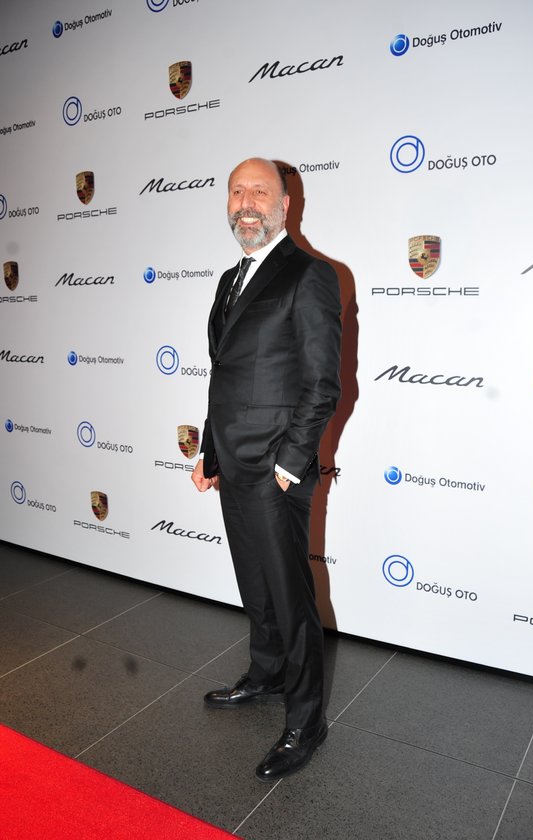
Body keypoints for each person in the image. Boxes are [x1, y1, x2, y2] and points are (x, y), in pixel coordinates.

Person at [192, 157, 341, 781]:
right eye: (237, 192)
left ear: (285, 205)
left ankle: (306, 721)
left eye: (259, 191)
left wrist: (289, 462)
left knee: (289, 594)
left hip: (277, 466)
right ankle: (266, 672)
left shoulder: (310, 275)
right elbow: (223, 372)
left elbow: (323, 382)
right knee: (254, 583)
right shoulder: (230, 278)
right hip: (234, 461)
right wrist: (211, 451)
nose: (246, 203)